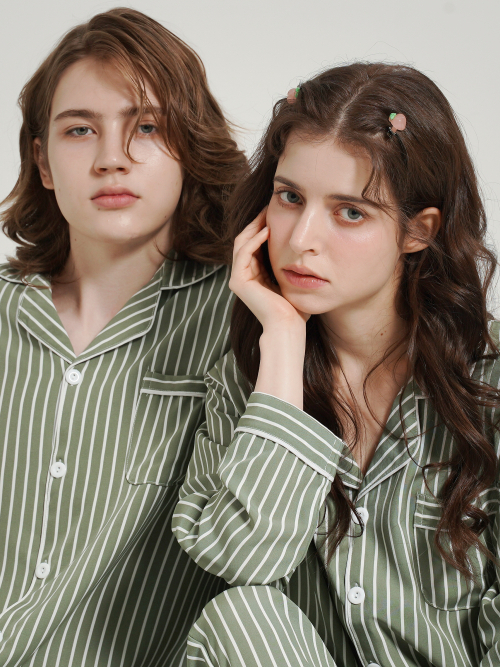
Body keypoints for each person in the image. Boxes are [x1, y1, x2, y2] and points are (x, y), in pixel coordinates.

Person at [172, 63, 500, 667]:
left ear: (418, 231)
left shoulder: (489, 382)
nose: (301, 238)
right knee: (243, 616)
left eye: (350, 212)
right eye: (290, 197)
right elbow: (244, 559)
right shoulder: (251, 379)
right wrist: (282, 341)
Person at [0, 8, 246, 666]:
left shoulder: (241, 317)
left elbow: (251, 543)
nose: (112, 158)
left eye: (148, 127)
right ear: (43, 161)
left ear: (189, 146)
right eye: (80, 129)